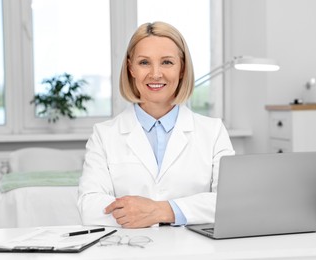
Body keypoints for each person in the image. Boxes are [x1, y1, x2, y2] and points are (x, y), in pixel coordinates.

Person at [78, 21, 235, 228]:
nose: (155, 74)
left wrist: (162, 211)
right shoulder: (104, 134)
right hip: (129, 250)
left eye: (167, 62)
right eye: (144, 62)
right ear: (131, 68)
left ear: (182, 68)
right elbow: (89, 206)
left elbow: (229, 202)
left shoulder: (213, 131)